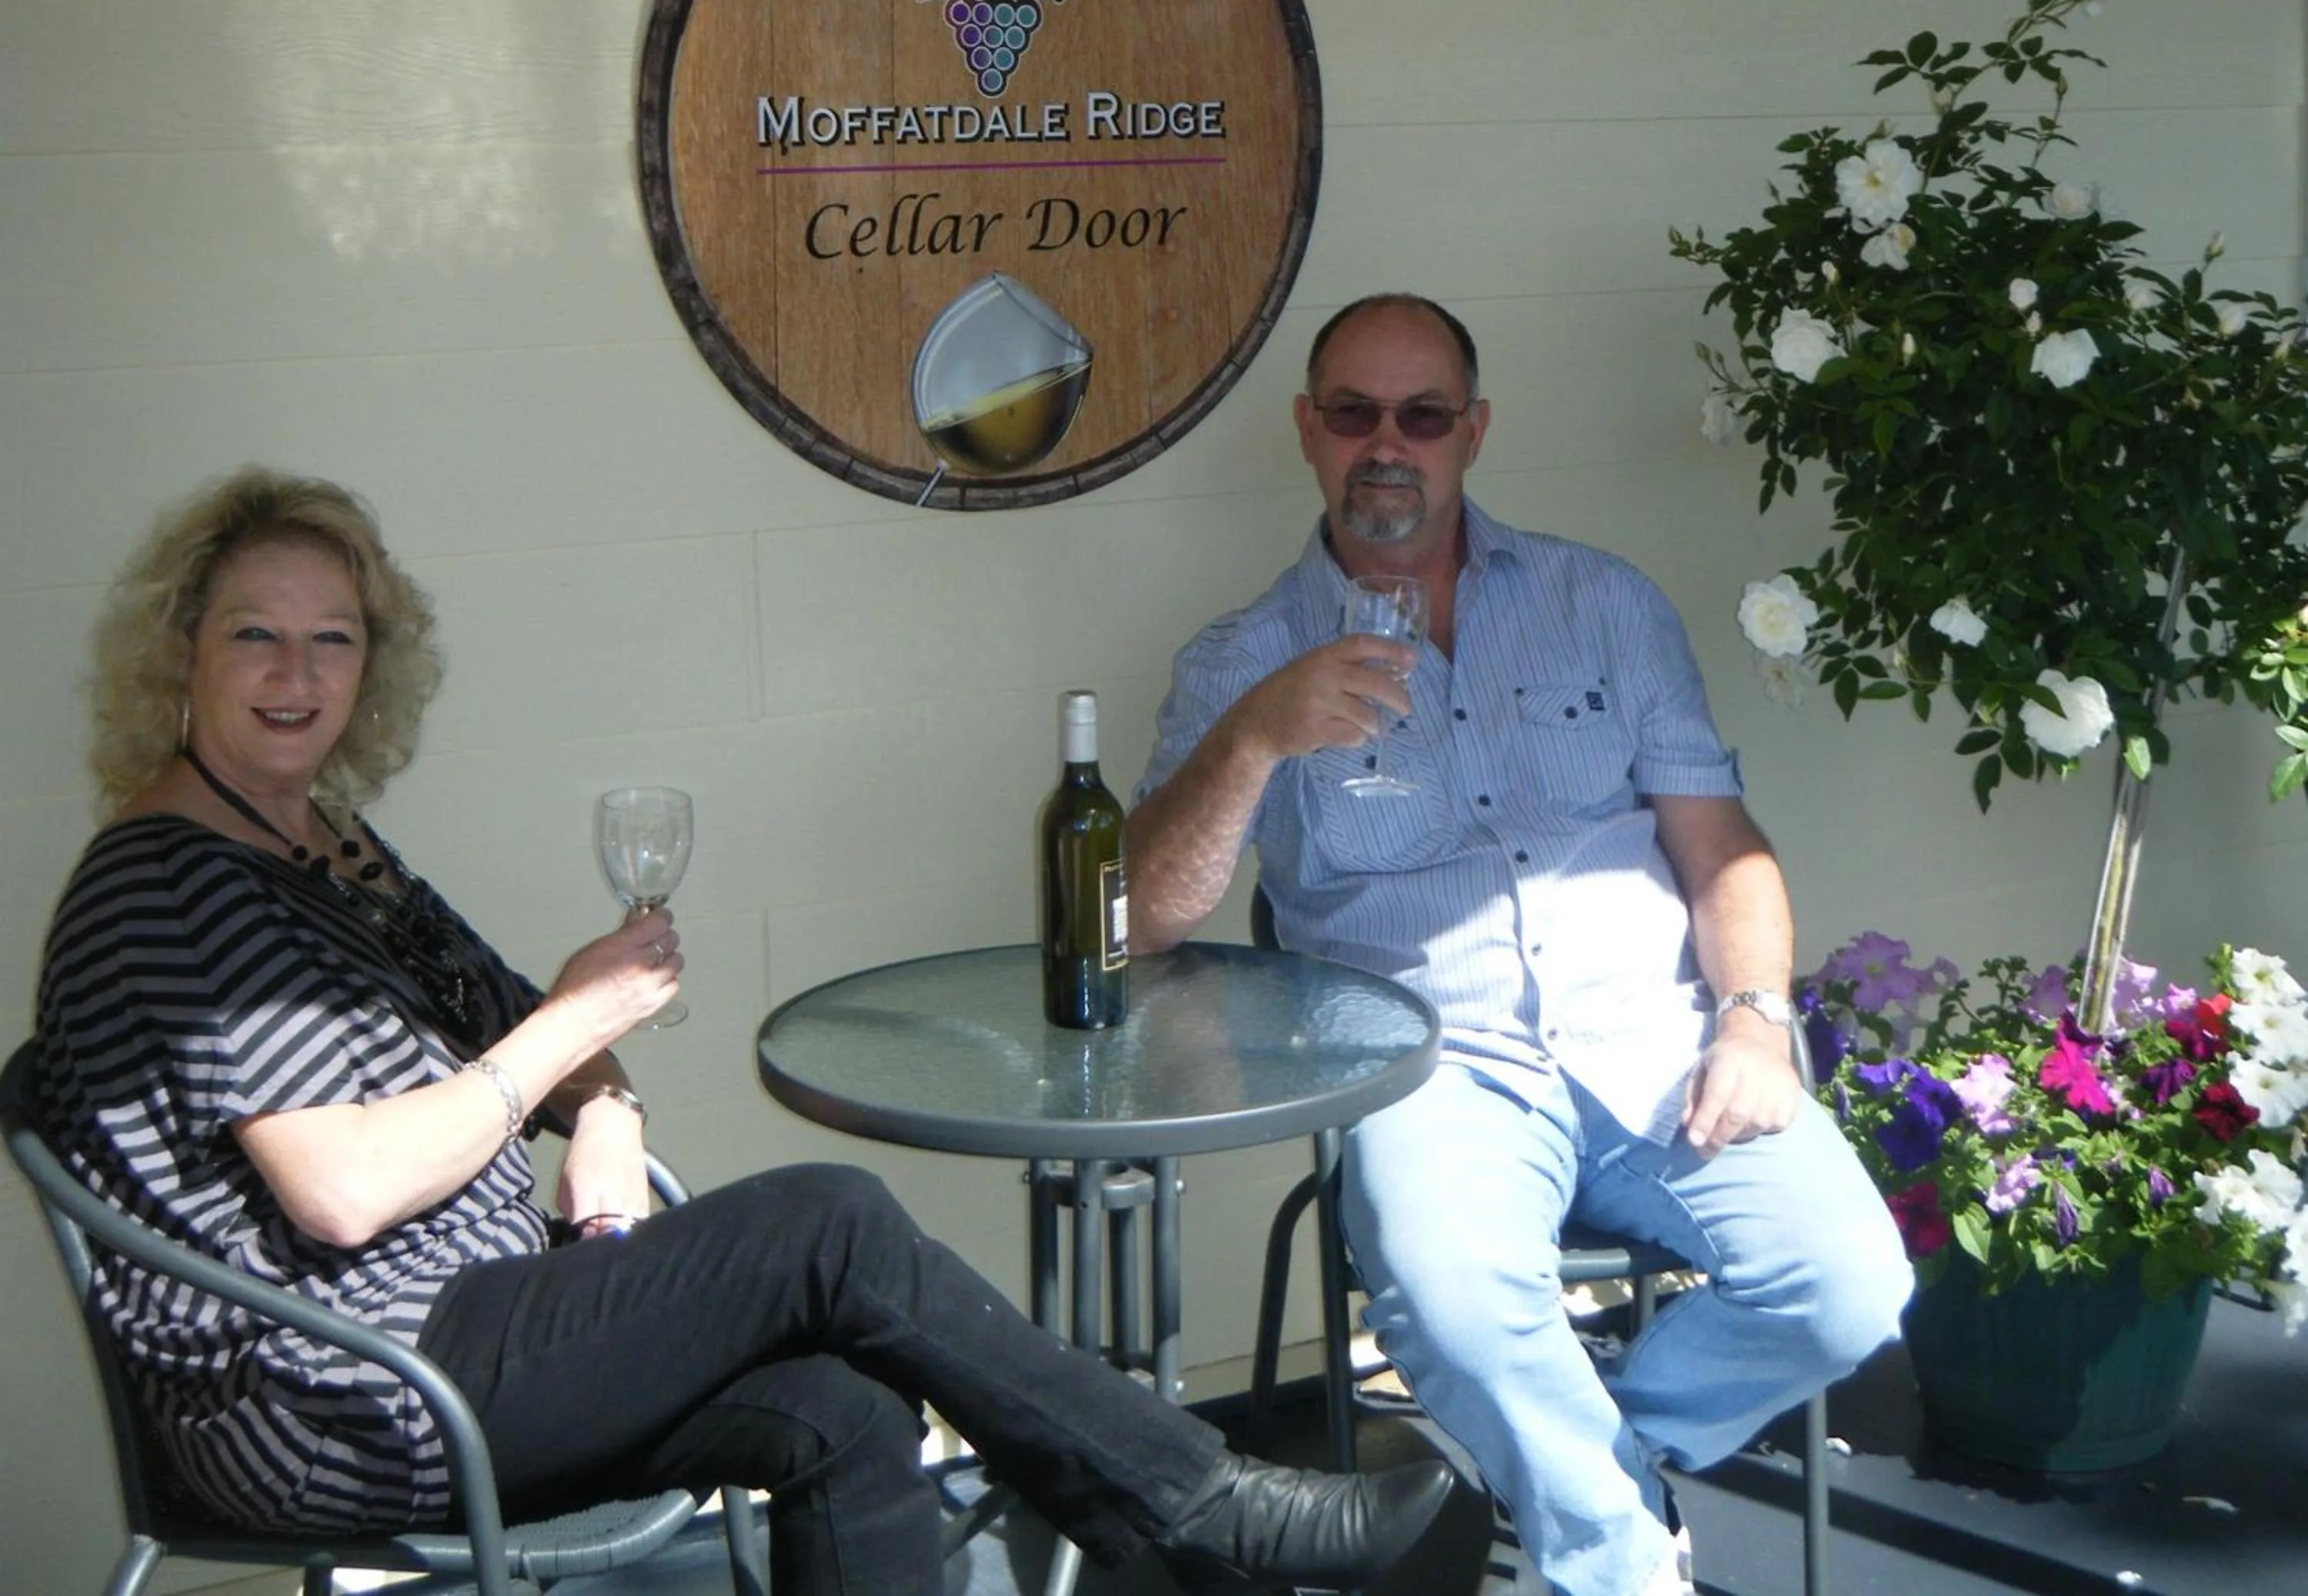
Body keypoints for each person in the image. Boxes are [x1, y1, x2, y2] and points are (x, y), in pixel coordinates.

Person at [34, 467, 1453, 1596]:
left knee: (839, 1407)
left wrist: (604, 1109)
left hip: (467, 1327)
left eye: (330, 637)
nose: (297, 672)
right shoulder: (162, 880)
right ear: (182, 656)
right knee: (825, 1223)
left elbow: (519, 1028)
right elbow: (342, 1188)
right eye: (255, 635)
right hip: (336, 1394)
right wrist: (572, 1034)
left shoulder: (322, 839)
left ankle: (1179, 1508)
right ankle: (1203, 1508)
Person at [1129, 295, 1912, 1596]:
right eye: (1354, 413)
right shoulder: (1242, 658)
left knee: (1848, 1285)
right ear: (1307, 432)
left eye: (1423, 415)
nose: (1389, 443)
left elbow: (1724, 847)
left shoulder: (1603, 600)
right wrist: (1256, 734)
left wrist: (1760, 1013)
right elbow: (1143, 919)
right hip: (1434, 1067)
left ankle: (1596, 1479)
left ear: (1472, 432)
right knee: (1452, 1311)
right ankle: (1619, 1562)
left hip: (1660, 1040)